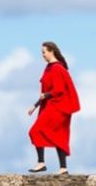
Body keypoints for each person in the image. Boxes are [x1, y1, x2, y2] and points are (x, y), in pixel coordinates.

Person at [28, 41, 80, 175]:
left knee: (36, 130)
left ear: (51, 51)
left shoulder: (57, 68)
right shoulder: (48, 68)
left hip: (58, 106)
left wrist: (45, 95)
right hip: (50, 105)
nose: (42, 55)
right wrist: (35, 106)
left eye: (44, 52)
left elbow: (58, 90)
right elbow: (44, 92)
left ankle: (41, 163)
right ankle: (63, 168)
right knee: (58, 135)